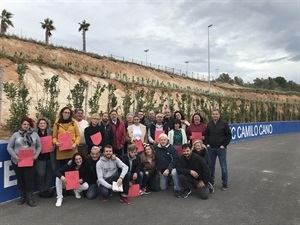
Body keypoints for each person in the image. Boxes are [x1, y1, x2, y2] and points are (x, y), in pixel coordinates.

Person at [7, 116, 42, 207]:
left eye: (28, 124)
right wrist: (15, 156)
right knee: (20, 179)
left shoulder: (34, 135)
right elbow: (9, 147)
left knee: (29, 179)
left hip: (31, 161)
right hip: (17, 161)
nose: (26, 126)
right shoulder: (15, 135)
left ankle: (29, 198)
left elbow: (39, 146)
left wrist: (36, 155)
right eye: (24, 124)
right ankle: (22, 197)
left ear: (30, 125)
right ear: (21, 125)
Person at [205, 109, 232, 191]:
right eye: (213, 114)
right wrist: (207, 144)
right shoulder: (209, 124)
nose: (215, 115)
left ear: (219, 115)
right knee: (211, 166)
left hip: (221, 149)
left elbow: (229, 135)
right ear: (211, 115)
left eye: (216, 114)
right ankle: (211, 183)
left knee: (223, 166)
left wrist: (224, 145)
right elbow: (206, 135)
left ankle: (224, 183)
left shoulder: (224, 123)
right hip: (211, 149)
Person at [35, 118, 56, 198]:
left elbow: (54, 141)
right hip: (40, 157)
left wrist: (54, 146)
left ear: (47, 124)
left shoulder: (50, 132)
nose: (42, 124)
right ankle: (41, 189)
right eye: (41, 123)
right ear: (38, 124)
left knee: (49, 173)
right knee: (41, 174)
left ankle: (47, 188)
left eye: (44, 123)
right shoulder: (35, 132)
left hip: (49, 156)